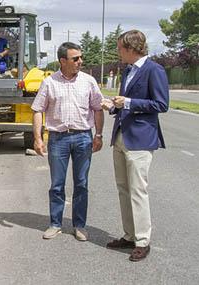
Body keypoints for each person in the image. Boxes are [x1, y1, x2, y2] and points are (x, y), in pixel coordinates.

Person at [101, 30, 169, 262]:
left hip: (140, 140)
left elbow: (161, 104)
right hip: (121, 135)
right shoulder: (128, 70)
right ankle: (129, 235)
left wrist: (128, 102)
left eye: (120, 48)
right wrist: (112, 106)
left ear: (131, 49)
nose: (118, 52)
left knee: (138, 190)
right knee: (123, 189)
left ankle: (143, 241)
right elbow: (124, 104)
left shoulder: (154, 70)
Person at [31, 42, 104, 241]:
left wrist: (98, 135)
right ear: (62, 61)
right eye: (75, 58)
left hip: (83, 138)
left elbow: (97, 108)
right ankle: (55, 224)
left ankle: (79, 225)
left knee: (81, 183)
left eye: (81, 57)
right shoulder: (49, 82)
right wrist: (37, 138)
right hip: (58, 139)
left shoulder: (89, 81)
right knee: (57, 184)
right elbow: (38, 109)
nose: (80, 61)